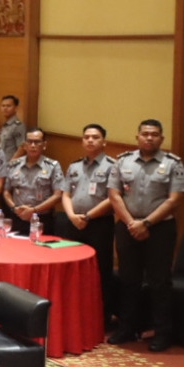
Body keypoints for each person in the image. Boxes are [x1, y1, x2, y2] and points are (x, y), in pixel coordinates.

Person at [107, 120, 184, 351]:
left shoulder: (173, 163)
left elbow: (175, 199)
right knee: (128, 279)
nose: (149, 138)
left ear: (161, 138)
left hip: (160, 229)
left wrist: (147, 223)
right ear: (137, 137)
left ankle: (162, 333)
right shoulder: (123, 161)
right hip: (127, 226)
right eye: (145, 134)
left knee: (159, 282)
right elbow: (114, 194)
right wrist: (132, 223)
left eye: (154, 134)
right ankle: (127, 328)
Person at [58, 124, 118, 328]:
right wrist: (71, 216)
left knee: (100, 270)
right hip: (74, 222)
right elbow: (66, 194)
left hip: (99, 224)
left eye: (95, 137)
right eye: (86, 137)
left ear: (104, 142)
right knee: (72, 269)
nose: (90, 140)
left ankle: (101, 317)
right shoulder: (74, 166)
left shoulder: (112, 166)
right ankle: (74, 313)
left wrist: (88, 216)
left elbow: (113, 197)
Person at [1, 128, 63, 235]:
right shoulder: (14, 165)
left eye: (37, 142)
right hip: (18, 217)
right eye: (29, 142)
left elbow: (58, 195)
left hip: (42, 219)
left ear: (44, 145)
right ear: (24, 145)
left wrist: (34, 210)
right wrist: (15, 208)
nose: (33, 145)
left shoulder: (52, 166)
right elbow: (6, 191)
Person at [0, 95, 25, 160]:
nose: (5, 108)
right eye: (3, 106)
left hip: (10, 163)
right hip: (1, 161)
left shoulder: (18, 126)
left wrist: (11, 163)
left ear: (16, 108)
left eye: (8, 106)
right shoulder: (6, 125)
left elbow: (22, 148)